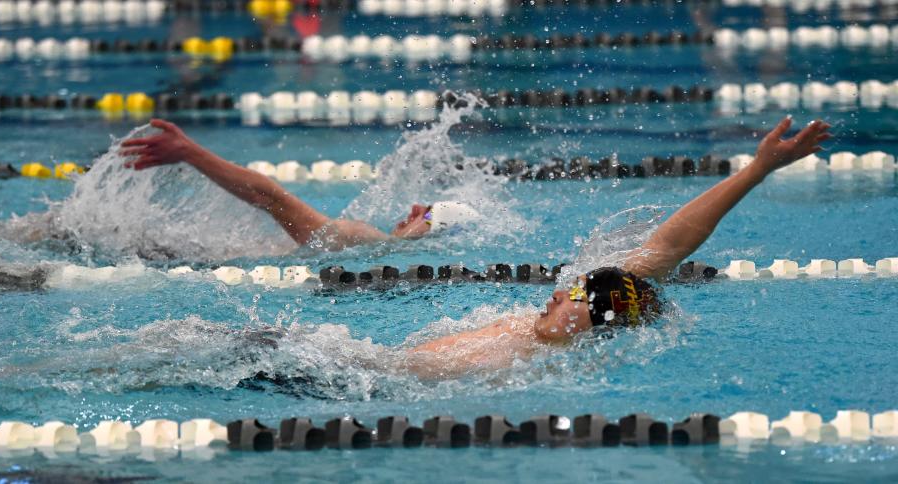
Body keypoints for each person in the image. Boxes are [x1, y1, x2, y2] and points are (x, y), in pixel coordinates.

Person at [402, 116, 832, 379]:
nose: (555, 293)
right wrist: (757, 169)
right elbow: (670, 244)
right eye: (570, 287)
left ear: (598, 325)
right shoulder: (538, 334)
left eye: (575, 295)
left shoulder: (536, 369)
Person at [120, 119, 481, 251]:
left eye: (429, 214)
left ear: (430, 235)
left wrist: (190, 152)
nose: (416, 209)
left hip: (166, 257)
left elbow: (270, 197)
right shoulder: (371, 248)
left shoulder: (366, 239)